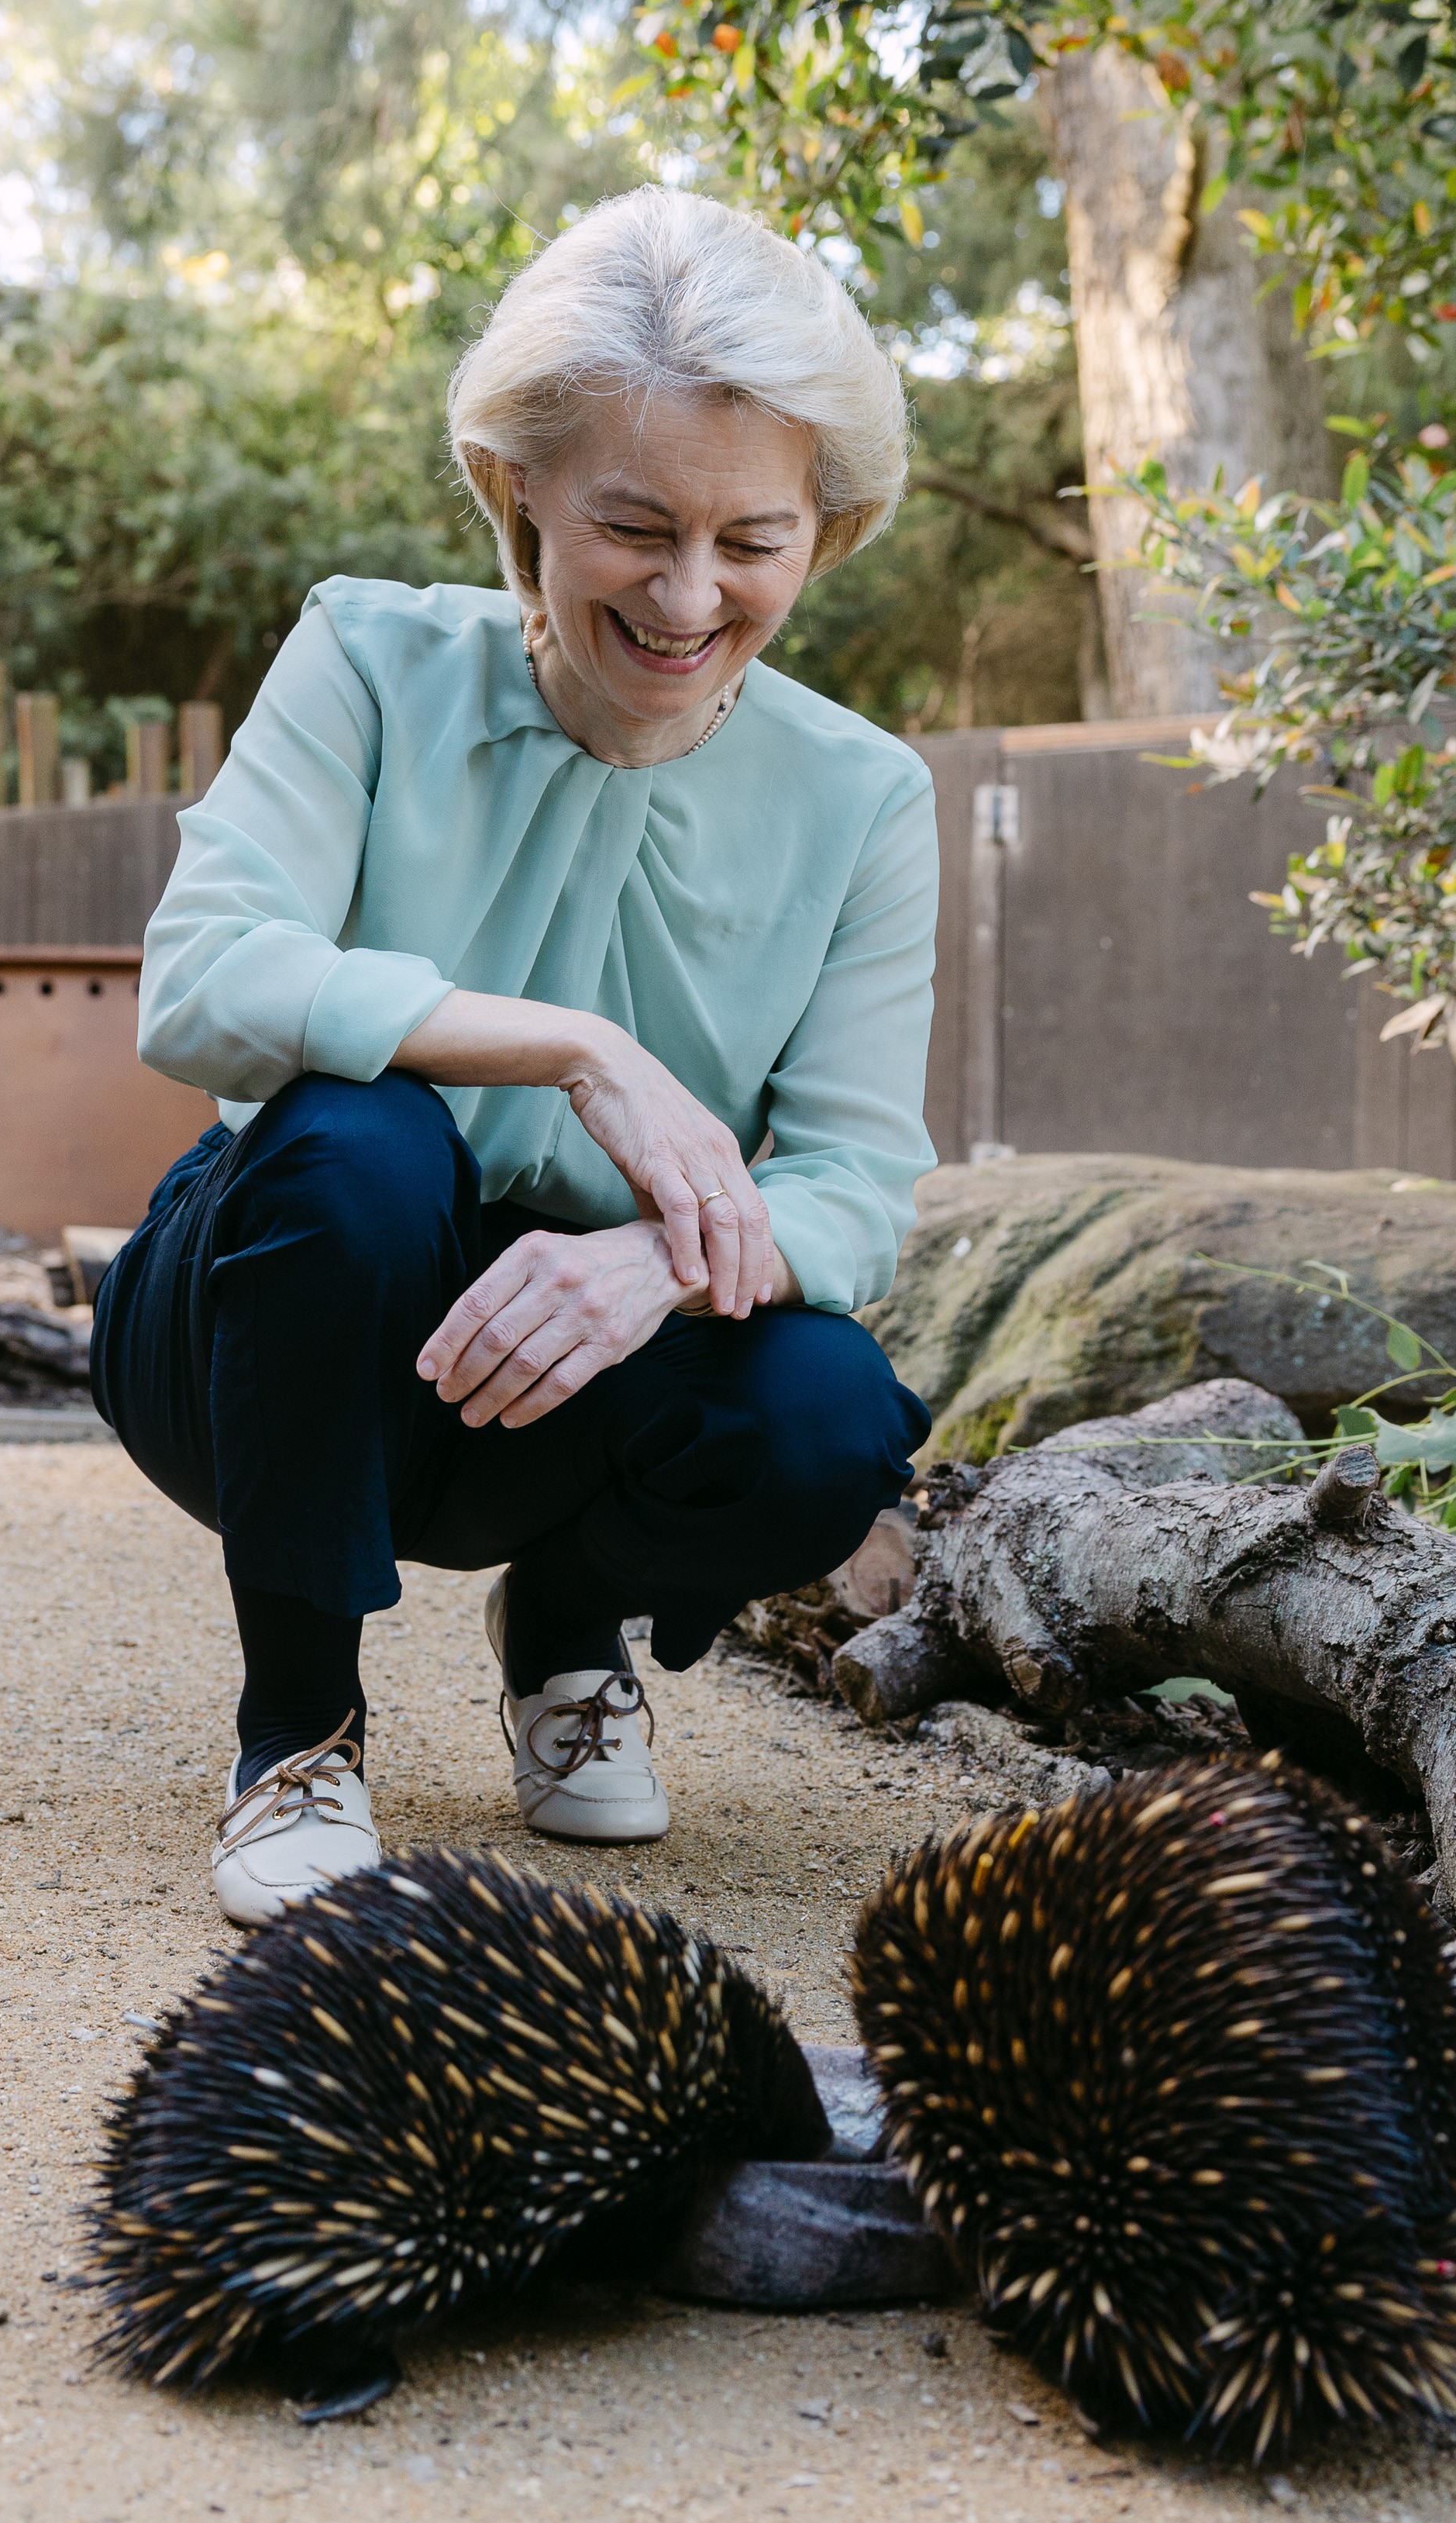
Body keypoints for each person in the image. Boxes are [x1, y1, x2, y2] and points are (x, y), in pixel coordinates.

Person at [93, 186, 937, 1926]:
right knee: (359, 1138)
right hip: (267, 1316)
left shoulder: (864, 797)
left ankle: (565, 1621)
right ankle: (297, 1733)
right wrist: (574, 1048)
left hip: (574, 1368)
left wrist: (655, 1260)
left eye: (752, 538)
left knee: (830, 1411)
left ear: (824, 532)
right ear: (515, 489)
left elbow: (854, 1180)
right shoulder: (366, 657)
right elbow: (199, 980)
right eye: (633, 523)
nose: (690, 594)